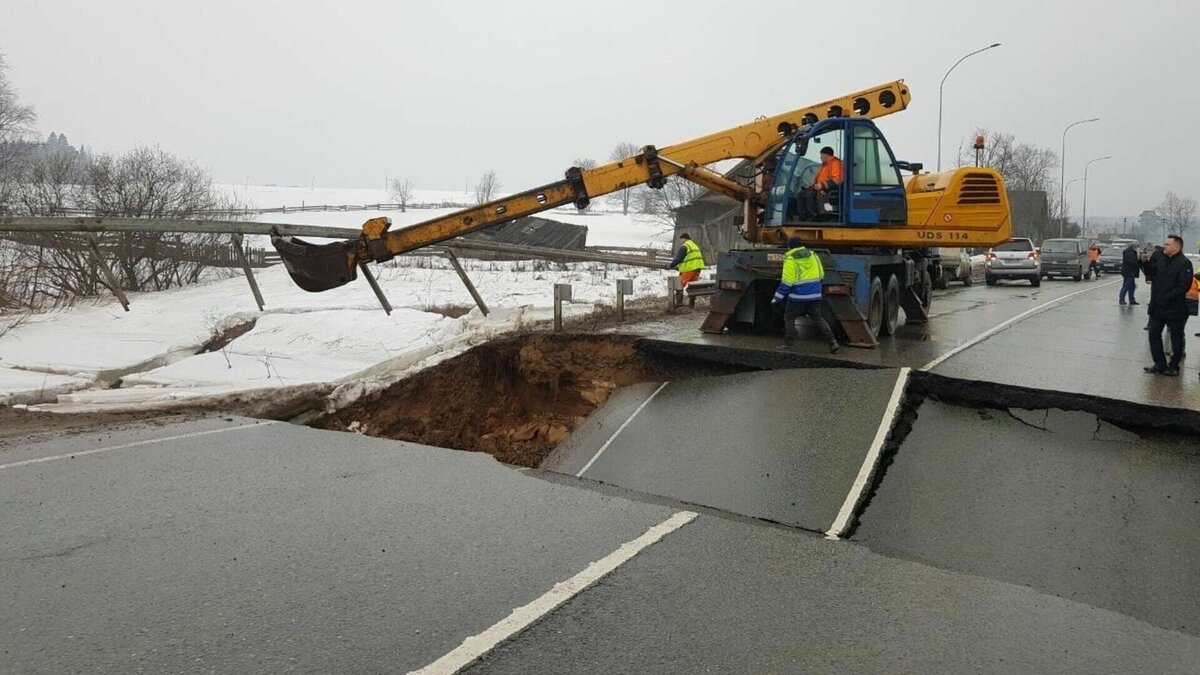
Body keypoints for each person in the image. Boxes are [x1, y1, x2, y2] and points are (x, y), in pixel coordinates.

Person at [773, 237, 839, 353]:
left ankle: (788, 343)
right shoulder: (813, 255)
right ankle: (832, 342)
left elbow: (787, 282)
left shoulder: (791, 259)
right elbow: (821, 274)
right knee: (818, 318)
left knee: (789, 317)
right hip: (815, 295)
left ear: (789, 247)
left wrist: (777, 297)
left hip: (798, 297)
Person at [1143, 234, 1194, 376]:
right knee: (1153, 334)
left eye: (1167, 244)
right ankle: (1159, 363)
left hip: (1175, 308)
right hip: (1158, 307)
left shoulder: (1184, 263)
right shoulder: (1161, 260)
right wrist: (1145, 262)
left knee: (1176, 338)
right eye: (1164, 244)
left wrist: (1167, 296)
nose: (1164, 246)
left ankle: (1174, 365)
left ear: (1176, 247)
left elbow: (1184, 285)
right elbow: (1150, 272)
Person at [798, 146, 844, 221]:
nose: (820, 157)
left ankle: (814, 216)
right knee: (801, 194)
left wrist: (822, 186)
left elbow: (838, 179)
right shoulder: (825, 165)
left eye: (821, 155)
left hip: (829, 189)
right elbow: (820, 179)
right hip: (821, 188)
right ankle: (803, 216)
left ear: (826, 155)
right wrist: (812, 186)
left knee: (809, 194)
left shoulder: (835, 164)